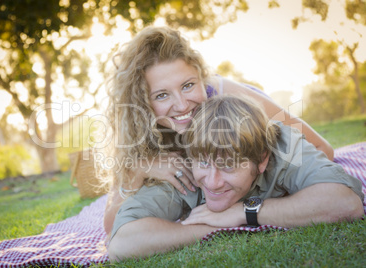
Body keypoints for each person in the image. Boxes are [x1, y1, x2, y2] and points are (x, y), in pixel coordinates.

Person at [102, 26, 334, 236]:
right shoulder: (136, 128)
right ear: (142, 102)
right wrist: (140, 170)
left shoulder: (232, 97)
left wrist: (244, 208)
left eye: (188, 85)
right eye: (162, 95)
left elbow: (323, 149)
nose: (182, 105)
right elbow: (112, 228)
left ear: (201, 77)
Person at [107, 95, 364, 261]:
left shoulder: (283, 145)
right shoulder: (186, 169)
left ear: (262, 159)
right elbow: (122, 243)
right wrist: (210, 226)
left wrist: (246, 212)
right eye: (204, 163)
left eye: (229, 165)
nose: (212, 182)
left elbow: (346, 203)